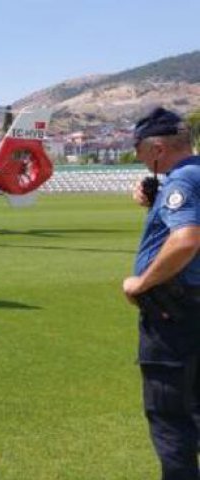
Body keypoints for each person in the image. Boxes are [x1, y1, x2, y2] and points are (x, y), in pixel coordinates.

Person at [122, 107, 200, 479]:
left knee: (170, 421)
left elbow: (186, 240)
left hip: (175, 317)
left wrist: (142, 282)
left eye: (138, 148)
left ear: (156, 149)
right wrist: (155, 202)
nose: (136, 155)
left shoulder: (182, 182)